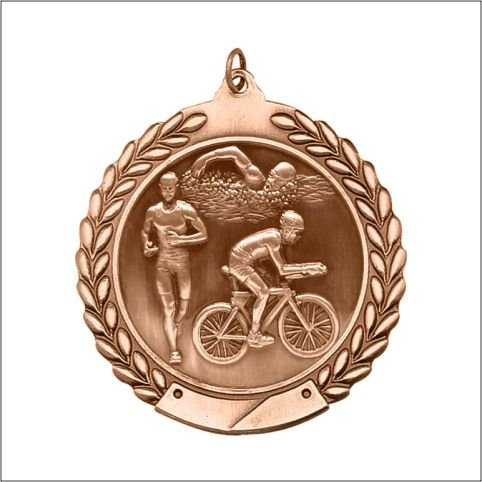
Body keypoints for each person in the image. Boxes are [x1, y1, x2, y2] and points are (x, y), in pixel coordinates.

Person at [228, 210, 327, 348]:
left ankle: (255, 315)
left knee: (272, 286)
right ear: (287, 230)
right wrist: (309, 267)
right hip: (239, 263)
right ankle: (254, 335)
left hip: (247, 262)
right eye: (297, 233)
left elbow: (284, 273)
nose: (298, 237)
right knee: (263, 292)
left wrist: (308, 271)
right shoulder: (273, 239)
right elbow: (283, 269)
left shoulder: (276, 237)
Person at [142, 172, 208, 364]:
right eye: (165, 188)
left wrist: (182, 240)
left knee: (183, 309)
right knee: (168, 309)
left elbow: (203, 235)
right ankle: (174, 351)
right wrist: (146, 246)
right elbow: (144, 232)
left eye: (171, 188)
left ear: (176, 188)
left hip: (182, 263)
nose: (168, 192)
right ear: (160, 189)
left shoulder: (185, 210)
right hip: (162, 263)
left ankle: (177, 323)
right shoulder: (153, 211)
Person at [191, 146, 297, 191]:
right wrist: (204, 159)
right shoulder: (256, 177)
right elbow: (234, 152)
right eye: (272, 175)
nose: (272, 181)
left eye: (278, 181)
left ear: (288, 185)